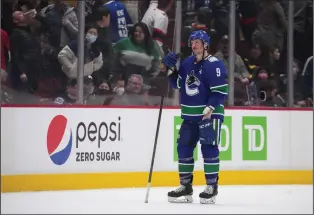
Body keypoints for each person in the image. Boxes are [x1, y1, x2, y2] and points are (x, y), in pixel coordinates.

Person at [162, 30, 228, 204]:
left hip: (209, 115)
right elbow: (177, 84)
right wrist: (169, 70)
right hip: (190, 115)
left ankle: (211, 187)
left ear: (206, 44)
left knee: (208, 148)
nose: (194, 44)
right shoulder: (187, 63)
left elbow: (220, 91)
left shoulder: (215, 64)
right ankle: (186, 187)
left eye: (198, 41)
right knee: (183, 148)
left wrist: (211, 107)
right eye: (192, 41)